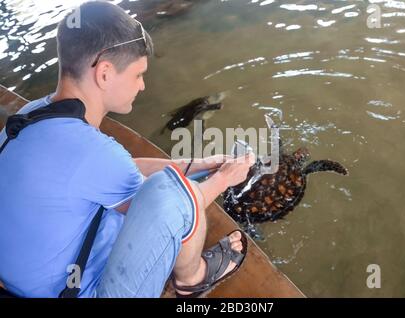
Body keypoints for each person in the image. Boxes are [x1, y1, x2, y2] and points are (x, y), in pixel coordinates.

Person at [0, 1, 254, 298]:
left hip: (24, 279)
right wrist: (224, 179)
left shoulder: (35, 114)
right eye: (138, 74)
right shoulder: (92, 152)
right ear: (105, 73)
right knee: (176, 198)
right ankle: (193, 279)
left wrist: (199, 165)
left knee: (171, 186)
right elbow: (169, 208)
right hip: (73, 291)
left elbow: (117, 169)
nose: (143, 86)